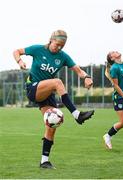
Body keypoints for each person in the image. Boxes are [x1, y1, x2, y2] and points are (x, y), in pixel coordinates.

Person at [13, 30, 94, 169]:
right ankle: (77, 115)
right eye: (57, 44)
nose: (59, 48)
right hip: (33, 88)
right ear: (51, 40)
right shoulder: (38, 49)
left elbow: (78, 70)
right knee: (57, 82)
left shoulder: (63, 56)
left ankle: (44, 161)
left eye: (62, 46)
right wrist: (19, 61)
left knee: (52, 125)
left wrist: (86, 77)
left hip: (48, 93)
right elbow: (16, 51)